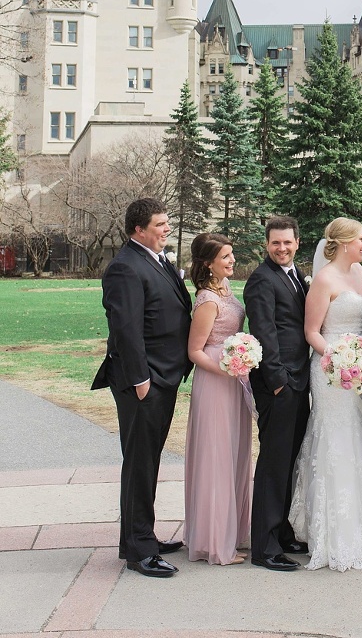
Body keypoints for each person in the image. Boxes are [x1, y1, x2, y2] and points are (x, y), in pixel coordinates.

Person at [92, 197, 192, 578]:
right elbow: (126, 329)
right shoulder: (124, 268)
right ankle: (139, 550)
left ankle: (142, 536)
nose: (166, 228)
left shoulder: (155, 259)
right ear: (139, 229)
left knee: (148, 462)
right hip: (144, 382)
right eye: (160, 224)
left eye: (167, 222)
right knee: (139, 464)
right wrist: (140, 381)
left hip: (163, 377)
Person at [289, 218, 362, 570]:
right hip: (332, 370)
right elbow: (312, 331)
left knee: (360, 439)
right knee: (336, 440)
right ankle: (335, 534)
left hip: (360, 367)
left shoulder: (360, 273)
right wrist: (336, 361)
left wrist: (359, 361)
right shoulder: (324, 279)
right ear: (345, 242)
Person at [243, 216, 310, 572]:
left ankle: (282, 531)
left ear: (297, 242)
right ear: (266, 245)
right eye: (275, 243)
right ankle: (265, 547)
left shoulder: (297, 276)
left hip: (300, 383)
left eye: (287, 242)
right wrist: (279, 380)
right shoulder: (261, 280)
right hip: (279, 386)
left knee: (289, 462)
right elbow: (264, 331)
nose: (281, 249)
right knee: (273, 464)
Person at [183, 234, 252, 565]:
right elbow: (195, 350)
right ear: (208, 263)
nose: (232, 260)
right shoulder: (208, 299)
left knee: (235, 452)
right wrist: (226, 368)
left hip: (234, 378)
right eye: (225, 256)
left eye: (232, 254)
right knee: (216, 456)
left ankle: (233, 532)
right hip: (215, 381)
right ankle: (214, 541)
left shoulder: (227, 290)